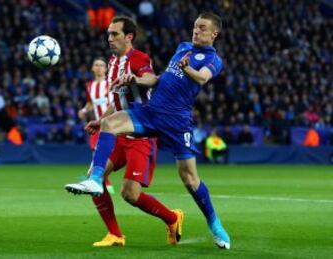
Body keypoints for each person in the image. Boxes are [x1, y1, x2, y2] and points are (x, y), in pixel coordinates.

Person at [68, 12, 230, 249]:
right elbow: (158, 79)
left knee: (189, 179)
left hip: (177, 122)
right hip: (151, 112)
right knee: (109, 123)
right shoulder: (183, 47)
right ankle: (94, 180)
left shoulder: (213, 59)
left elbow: (202, 79)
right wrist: (135, 79)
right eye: (195, 26)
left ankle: (215, 225)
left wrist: (187, 70)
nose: (196, 31)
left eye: (202, 28)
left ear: (214, 33)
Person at [65, 16, 183, 247]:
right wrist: (101, 120)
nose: (109, 38)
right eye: (108, 34)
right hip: (118, 133)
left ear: (128, 37)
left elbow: (151, 79)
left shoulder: (138, 58)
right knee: (94, 176)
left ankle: (172, 217)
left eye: (114, 34)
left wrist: (136, 79)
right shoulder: (111, 62)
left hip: (140, 135)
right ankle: (115, 234)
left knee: (130, 194)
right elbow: (117, 100)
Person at [78, 57, 115, 193]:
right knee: (97, 154)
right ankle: (104, 184)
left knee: (105, 156)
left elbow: (115, 102)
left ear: (106, 69)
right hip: (97, 126)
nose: (99, 67)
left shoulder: (111, 84)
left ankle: (96, 179)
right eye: (96, 65)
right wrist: (83, 110)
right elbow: (90, 103)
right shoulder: (90, 86)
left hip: (112, 124)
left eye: (101, 65)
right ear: (93, 69)